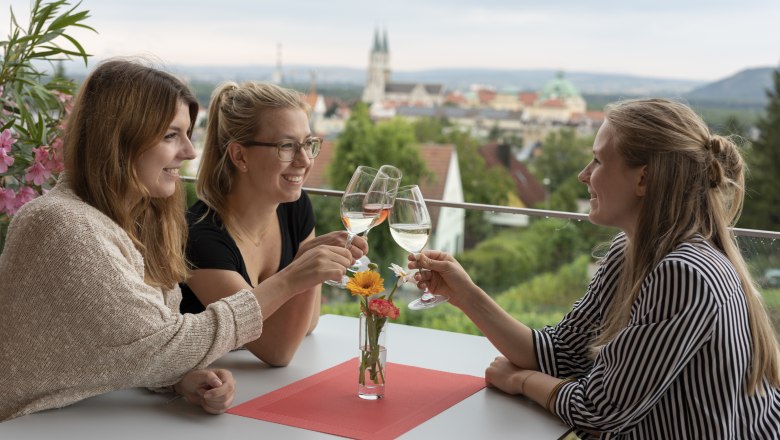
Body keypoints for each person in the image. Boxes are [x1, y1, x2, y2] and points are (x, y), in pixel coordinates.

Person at [0, 59, 356, 421]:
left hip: (78, 418)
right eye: (172, 136)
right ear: (121, 139)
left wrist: (176, 379)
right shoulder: (64, 225)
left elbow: (129, 342)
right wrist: (293, 277)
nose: (188, 151)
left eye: (187, 134)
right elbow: (163, 343)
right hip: (23, 423)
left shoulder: (133, 219)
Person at [409, 98, 780, 438]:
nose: (584, 175)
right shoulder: (630, 251)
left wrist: (523, 381)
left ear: (644, 178)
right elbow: (558, 353)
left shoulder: (683, 273)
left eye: (599, 161)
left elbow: (600, 410)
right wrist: (464, 294)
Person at [179, 81, 365, 367]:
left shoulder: (294, 207)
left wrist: (311, 265)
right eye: (287, 146)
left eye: (307, 144)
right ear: (240, 156)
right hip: (201, 393)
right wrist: (304, 267)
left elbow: (309, 323)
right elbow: (277, 351)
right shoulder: (199, 238)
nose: (304, 160)